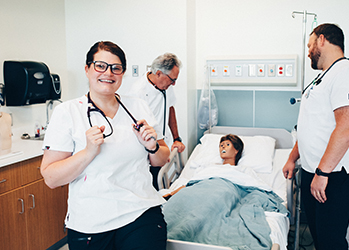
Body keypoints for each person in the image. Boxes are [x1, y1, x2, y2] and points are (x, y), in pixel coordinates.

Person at [40, 41, 170, 250]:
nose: (108, 73)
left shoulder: (138, 106)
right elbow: (51, 178)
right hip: (90, 222)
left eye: (116, 68)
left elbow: (162, 158)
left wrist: (151, 146)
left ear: (122, 73)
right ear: (87, 69)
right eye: (100, 65)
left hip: (140, 211)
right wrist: (88, 152)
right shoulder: (67, 112)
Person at [282, 23, 349, 250]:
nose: (309, 51)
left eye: (310, 45)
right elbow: (311, 126)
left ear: (322, 40)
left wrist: (322, 173)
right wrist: (292, 158)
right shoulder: (322, 78)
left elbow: (347, 128)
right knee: (320, 238)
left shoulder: (348, 74)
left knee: (331, 241)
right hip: (316, 173)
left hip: (335, 175)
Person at [128, 53, 185, 190]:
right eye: (172, 80)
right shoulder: (138, 93)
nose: (174, 84)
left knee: (161, 188)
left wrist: (177, 138)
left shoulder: (166, 86)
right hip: (148, 153)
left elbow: (170, 108)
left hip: (162, 147)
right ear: (159, 73)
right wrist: (158, 151)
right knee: (151, 189)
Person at [163, 134, 244, 198]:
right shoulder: (211, 167)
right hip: (205, 192)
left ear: (236, 150)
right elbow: (194, 183)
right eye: (221, 145)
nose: (223, 146)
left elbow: (251, 185)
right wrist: (171, 194)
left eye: (227, 144)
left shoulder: (242, 170)